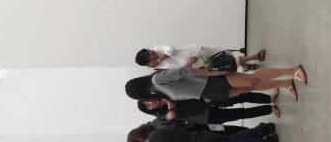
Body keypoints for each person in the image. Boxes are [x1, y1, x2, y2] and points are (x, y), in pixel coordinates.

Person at [126, 65, 306, 103]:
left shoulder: (156, 80)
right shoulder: (159, 93)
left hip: (210, 80)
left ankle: (292, 70)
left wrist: (213, 72)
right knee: (249, 87)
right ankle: (285, 83)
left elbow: (185, 71)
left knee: (251, 79)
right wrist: (204, 98)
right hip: (209, 92)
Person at [137, 89, 281, 125]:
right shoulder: (161, 115)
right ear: (149, 110)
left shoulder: (165, 92)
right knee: (240, 113)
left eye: (148, 101)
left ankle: (269, 98)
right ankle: (269, 109)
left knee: (241, 96)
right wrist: (168, 102)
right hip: (205, 116)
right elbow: (171, 116)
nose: (151, 104)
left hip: (207, 98)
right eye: (148, 106)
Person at [135, 45, 266, 71]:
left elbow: (171, 49)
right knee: (228, 61)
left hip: (196, 50)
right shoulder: (159, 69)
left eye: (148, 50)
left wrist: (159, 59)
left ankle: (247, 66)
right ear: (149, 62)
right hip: (197, 64)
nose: (151, 51)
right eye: (149, 54)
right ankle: (255, 56)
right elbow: (177, 71)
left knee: (224, 53)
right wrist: (188, 64)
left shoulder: (157, 48)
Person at [127, 121, 278, 142]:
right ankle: (264, 129)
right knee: (232, 138)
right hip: (200, 135)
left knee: (233, 140)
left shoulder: (155, 139)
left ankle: (266, 140)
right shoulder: (156, 132)